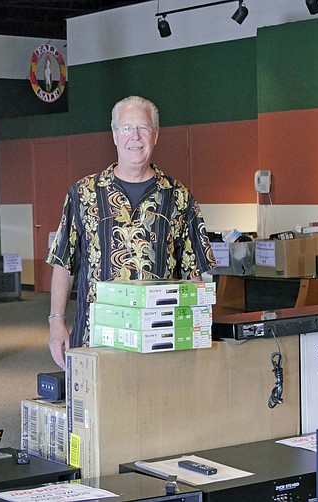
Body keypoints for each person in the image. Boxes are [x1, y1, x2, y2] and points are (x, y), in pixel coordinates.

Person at [46, 95, 216, 369]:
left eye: (143, 128)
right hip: (94, 338)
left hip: (161, 340)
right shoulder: (83, 193)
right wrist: (56, 322)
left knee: (158, 410)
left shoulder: (179, 197)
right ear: (114, 135)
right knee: (96, 412)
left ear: (156, 135)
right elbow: (63, 263)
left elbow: (193, 273)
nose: (134, 137)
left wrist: (194, 332)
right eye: (126, 128)